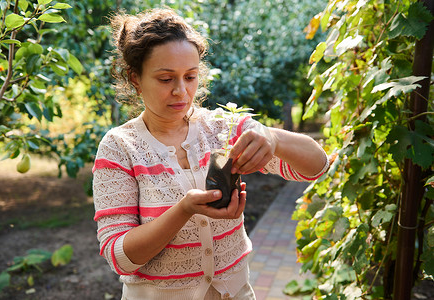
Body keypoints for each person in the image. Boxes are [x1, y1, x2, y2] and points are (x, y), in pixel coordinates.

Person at [92, 8, 329, 300]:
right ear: (135, 78)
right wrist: (183, 210)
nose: (181, 91)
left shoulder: (223, 127)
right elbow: (120, 255)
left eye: (190, 77)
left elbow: (317, 166)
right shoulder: (119, 147)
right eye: (166, 79)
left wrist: (273, 137)